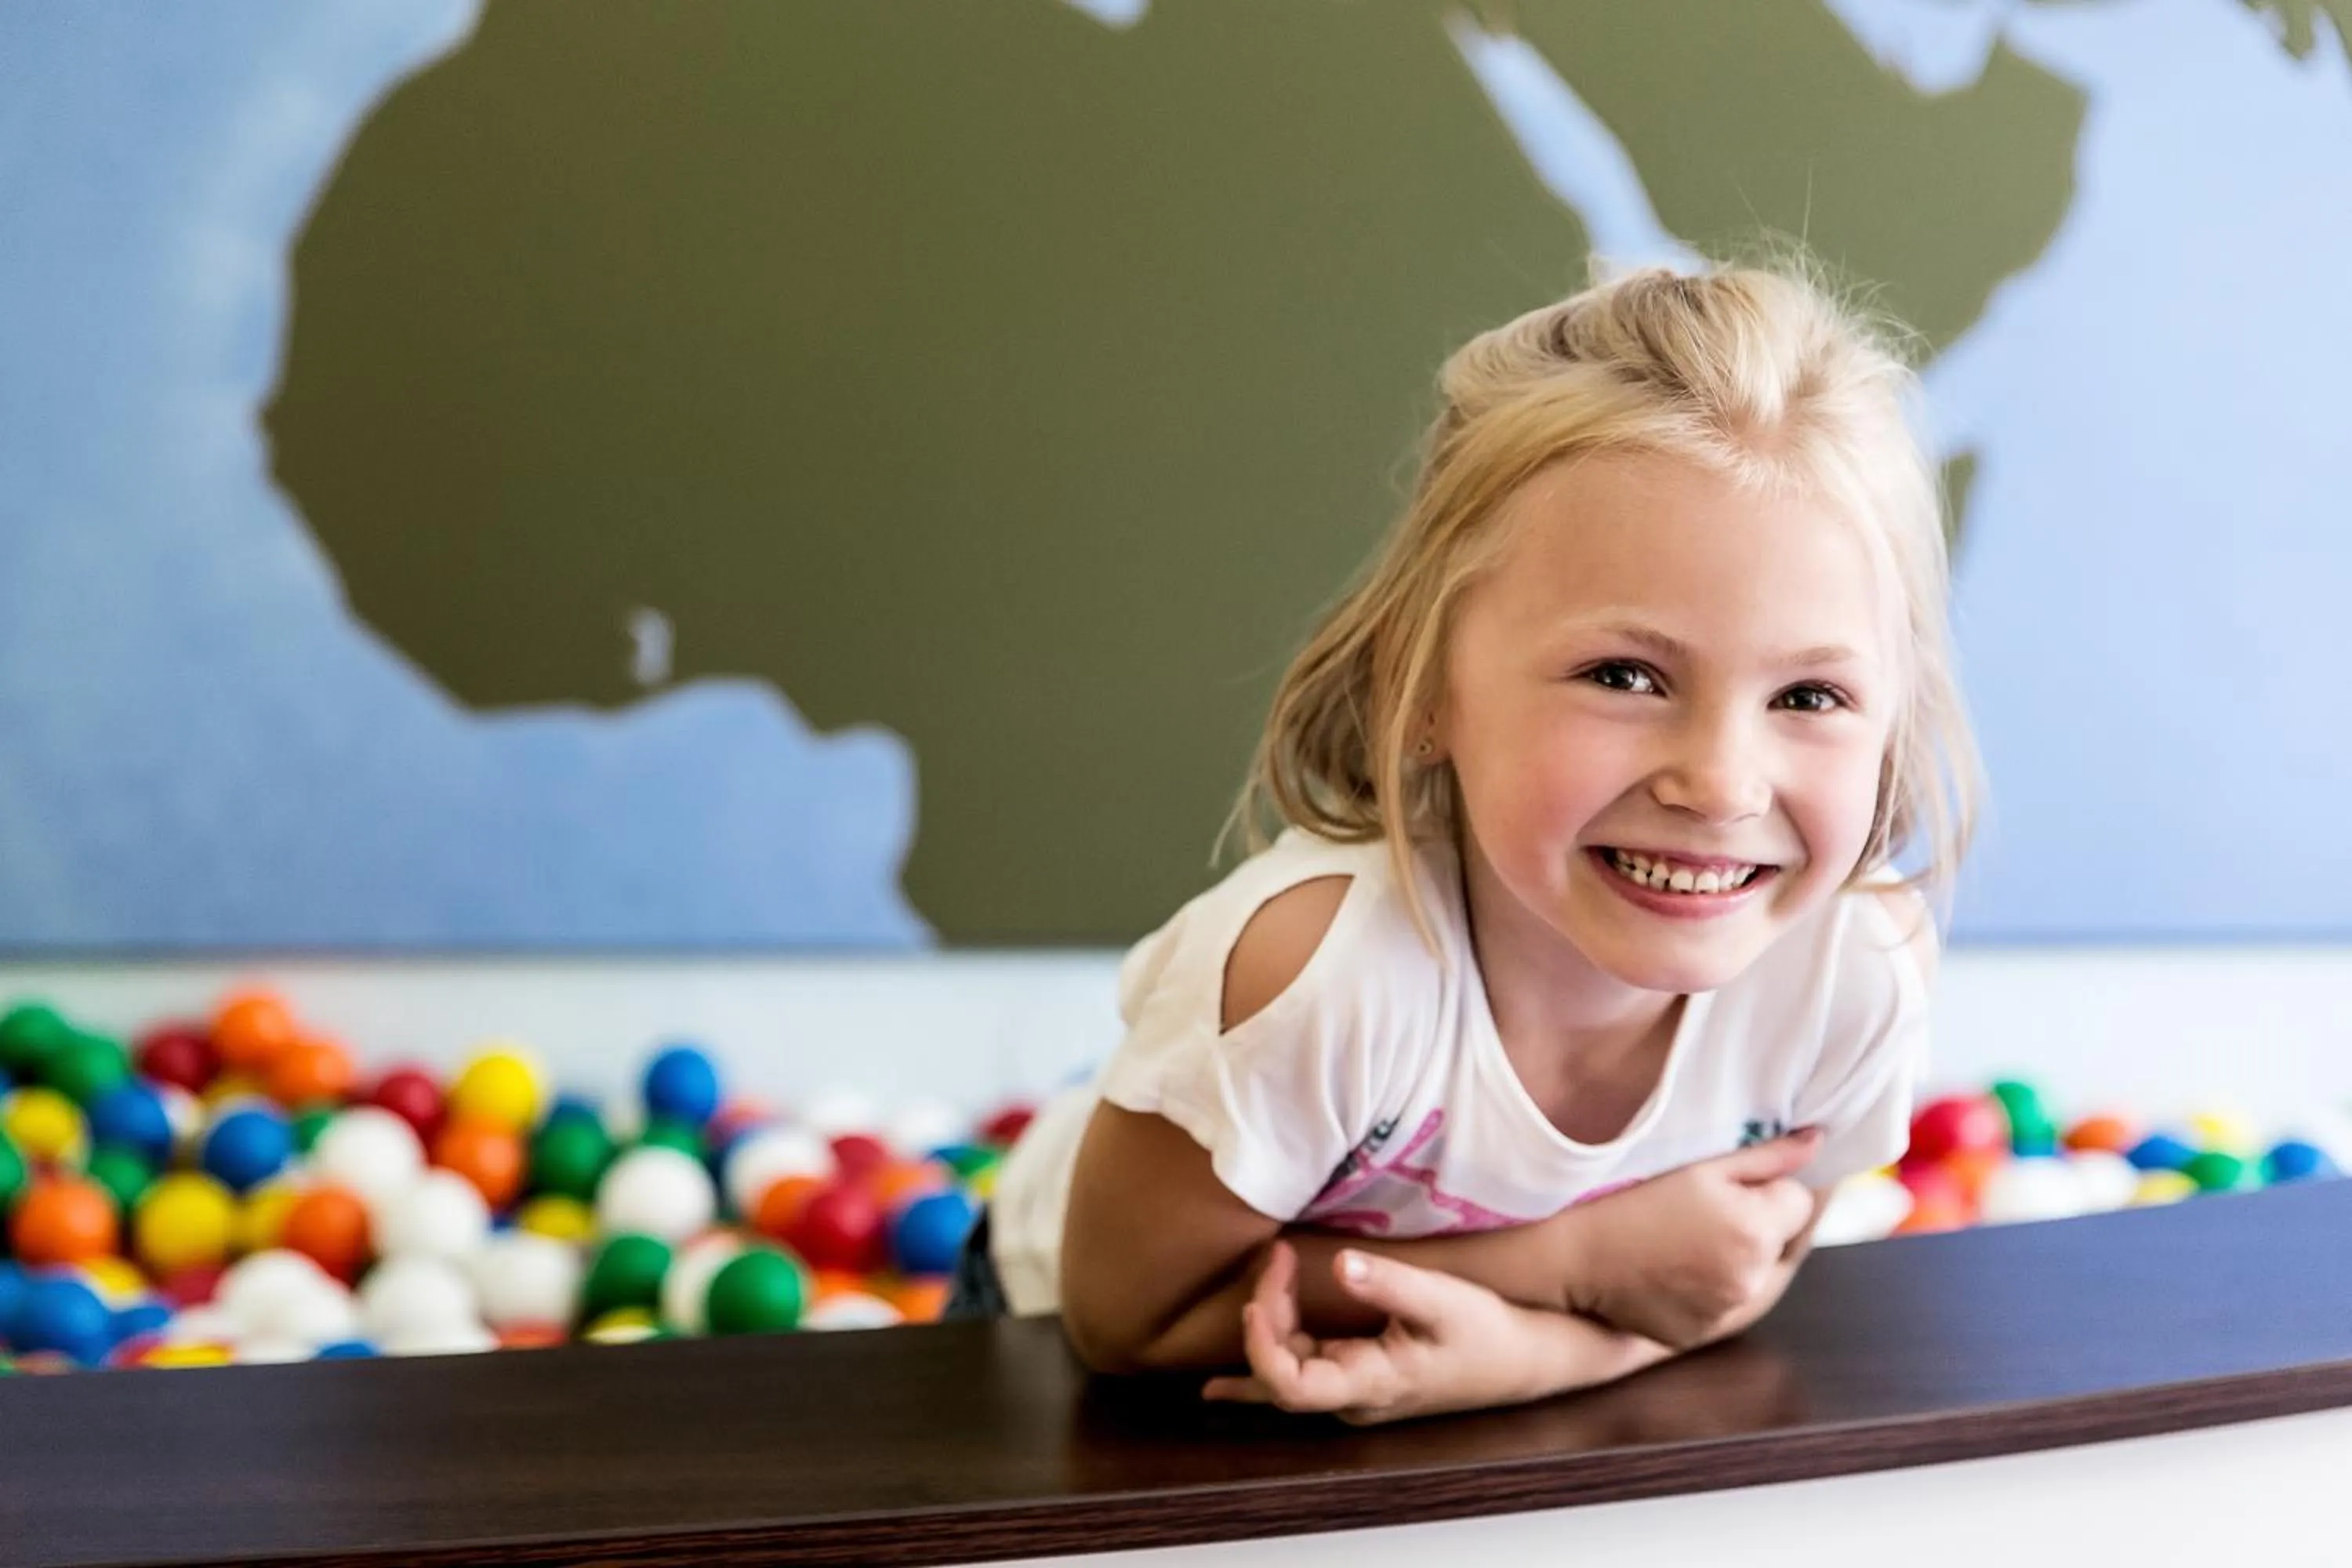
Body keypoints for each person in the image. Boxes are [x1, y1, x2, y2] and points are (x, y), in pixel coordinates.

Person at [957, 255, 1981, 1425]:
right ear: (1427, 681)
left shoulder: (1854, 973)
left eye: (1809, 697)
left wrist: (1535, 1358)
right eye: (1625, 674)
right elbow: (1125, 1321)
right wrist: (1567, 1274)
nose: (1719, 783)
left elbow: (1728, 1281)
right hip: (1068, 1340)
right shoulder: (1317, 976)